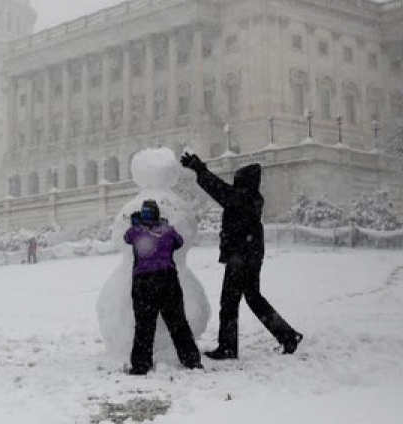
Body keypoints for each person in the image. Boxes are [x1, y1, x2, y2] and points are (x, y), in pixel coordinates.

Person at [180, 150, 303, 359]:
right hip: (250, 255)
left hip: (242, 257)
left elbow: (221, 192)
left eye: (238, 180)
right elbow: (225, 193)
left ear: (244, 182)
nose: (235, 183)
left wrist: (200, 170)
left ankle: (229, 347)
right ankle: (287, 335)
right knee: (253, 298)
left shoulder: (244, 197)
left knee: (229, 302)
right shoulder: (252, 198)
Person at [124, 199, 203, 374]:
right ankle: (191, 359)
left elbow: (127, 238)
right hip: (167, 280)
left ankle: (141, 364)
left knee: (144, 325)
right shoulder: (167, 230)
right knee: (178, 322)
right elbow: (179, 242)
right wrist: (163, 226)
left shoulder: (136, 231)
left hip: (143, 282)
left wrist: (136, 224)